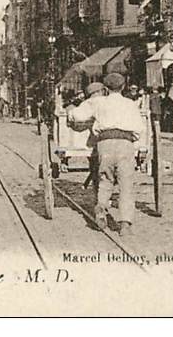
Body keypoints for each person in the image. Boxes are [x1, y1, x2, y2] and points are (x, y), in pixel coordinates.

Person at [68, 73, 149, 239]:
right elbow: (140, 128)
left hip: (104, 143)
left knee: (105, 179)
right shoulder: (130, 104)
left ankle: (101, 208)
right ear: (123, 87)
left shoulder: (97, 102)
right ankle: (125, 225)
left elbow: (77, 115)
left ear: (105, 89)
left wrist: (70, 113)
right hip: (125, 143)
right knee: (126, 184)